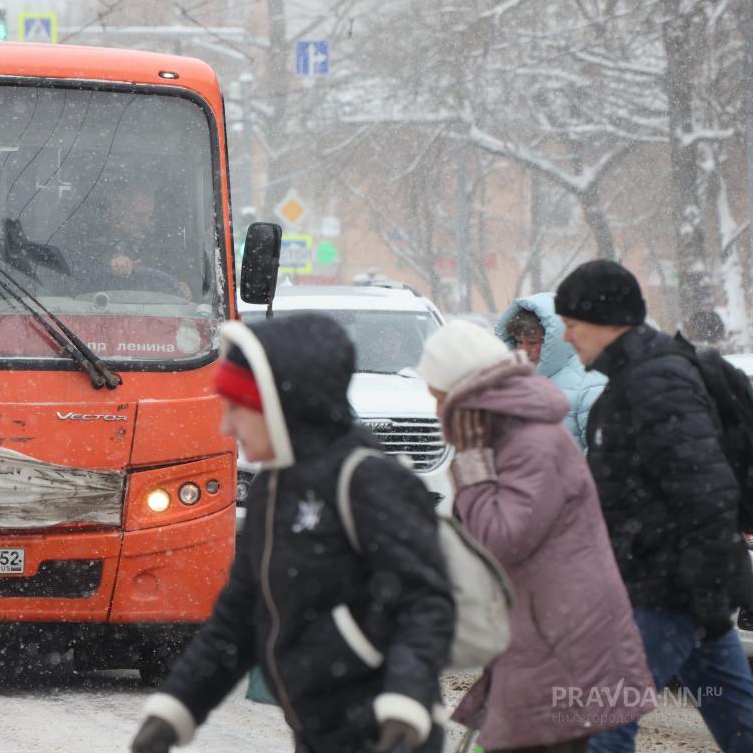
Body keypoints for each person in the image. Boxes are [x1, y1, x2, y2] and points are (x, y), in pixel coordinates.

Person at [130, 313, 454, 753]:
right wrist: (175, 711)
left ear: (280, 406)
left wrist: (405, 700)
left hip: (390, 733)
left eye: (237, 407)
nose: (227, 426)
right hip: (317, 730)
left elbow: (425, 602)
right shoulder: (272, 488)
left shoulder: (369, 479)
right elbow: (239, 617)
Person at [417, 320, 655, 753]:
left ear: (466, 395)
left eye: (439, 399)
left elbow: (499, 540)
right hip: (539, 635)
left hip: (564, 645)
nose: (437, 413)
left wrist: (470, 462)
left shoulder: (530, 442)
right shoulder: (508, 436)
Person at [553, 260, 753, 753]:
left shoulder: (655, 382)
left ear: (606, 321)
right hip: (673, 587)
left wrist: (703, 589)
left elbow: (706, 490)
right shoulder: (633, 379)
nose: (567, 336)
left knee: (602, 727)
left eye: (573, 324)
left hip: (666, 590)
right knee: (739, 722)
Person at [494, 293, 605, 451]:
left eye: (532, 342)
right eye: (519, 341)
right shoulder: (511, 381)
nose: (524, 350)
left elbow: (601, 451)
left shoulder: (589, 382)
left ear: (554, 340)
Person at [81, 181, 195, 300]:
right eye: (139, 215)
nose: (146, 223)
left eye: (149, 216)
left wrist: (185, 288)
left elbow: (184, 275)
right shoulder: (89, 240)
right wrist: (110, 265)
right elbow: (77, 275)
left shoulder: (159, 245)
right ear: (117, 212)